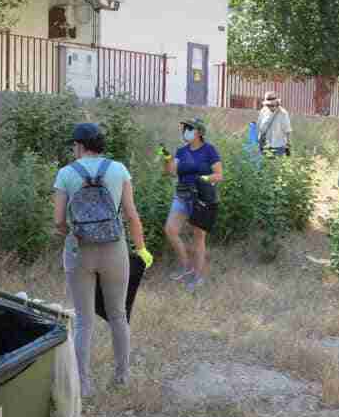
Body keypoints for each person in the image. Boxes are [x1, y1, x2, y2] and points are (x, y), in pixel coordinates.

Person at [53, 123, 153, 397]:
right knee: (118, 315)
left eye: (74, 145)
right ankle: (122, 378)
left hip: (80, 250)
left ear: (80, 145)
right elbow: (131, 215)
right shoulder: (118, 170)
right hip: (114, 249)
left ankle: (83, 386)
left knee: (84, 320)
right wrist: (141, 249)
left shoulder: (66, 174)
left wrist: (69, 233)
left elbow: (59, 220)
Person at [160, 117, 222, 291]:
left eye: (189, 128)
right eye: (185, 128)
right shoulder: (181, 151)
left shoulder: (210, 150)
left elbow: (218, 175)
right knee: (170, 230)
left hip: (201, 198)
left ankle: (198, 276)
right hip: (182, 196)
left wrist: (203, 178)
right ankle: (186, 266)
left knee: (198, 238)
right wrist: (167, 158)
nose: (185, 130)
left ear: (199, 132)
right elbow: (171, 172)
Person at [257, 91, 292, 156]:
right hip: (265, 146)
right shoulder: (263, 111)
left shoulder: (283, 113)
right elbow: (259, 127)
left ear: (277, 103)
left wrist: (288, 146)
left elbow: (287, 130)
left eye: (272, 105)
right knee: (265, 165)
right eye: (268, 105)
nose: (271, 107)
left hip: (279, 147)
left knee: (277, 165)